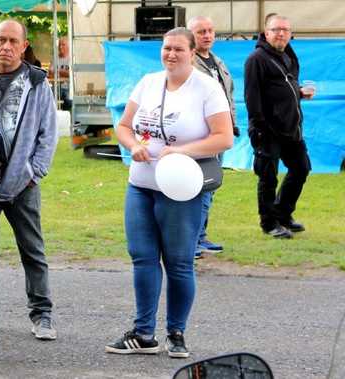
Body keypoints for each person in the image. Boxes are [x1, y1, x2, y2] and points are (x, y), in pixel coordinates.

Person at [106, 27, 232, 358]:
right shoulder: (148, 82)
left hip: (182, 190)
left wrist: (184, 151)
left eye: (178, 49)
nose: (171, 54)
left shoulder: (207, 88)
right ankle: (143, 333)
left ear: (192, 53)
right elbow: (123, 126)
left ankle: (176, 333)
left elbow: (224, 137)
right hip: (141, 185)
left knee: (178, 263)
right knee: (142, 257)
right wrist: (133, 145)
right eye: (166, 48)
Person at [0, 19, 59, 341]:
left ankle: (42, 315)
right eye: (0, 40)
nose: (5, 47)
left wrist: (35, 173)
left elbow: (48, 133)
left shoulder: (37, 82)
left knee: (32, 250)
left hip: (22, 183)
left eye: (12, 41)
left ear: (23, 46)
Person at [244, 15, 312, 239]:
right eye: (276, 30)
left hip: (291, 128)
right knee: (268, 178)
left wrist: (300, 92)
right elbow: (251, 98)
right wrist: (261, 127)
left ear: (291, 33)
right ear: (266, 32)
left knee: (301, 168)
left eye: (285, 29)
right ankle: (269, 223)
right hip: (268, 130)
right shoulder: (256, 59)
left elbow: (284, 87)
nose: (281, 33)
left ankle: (283, 213)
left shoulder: (288, 55)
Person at [188, 16, 239, 258]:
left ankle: (200, 236)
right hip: (202, 136)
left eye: (210, 30)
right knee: (200, 188)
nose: (207, 35)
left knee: (211, 185)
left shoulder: (217, 62)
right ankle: (192, 240)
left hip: (221, 133)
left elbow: (229, 98)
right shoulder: (189, 64)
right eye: (201, 32)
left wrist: (232, 126)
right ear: (191, 36)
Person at [48, 36, 71, 110]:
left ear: (69, 45)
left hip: (68, 87)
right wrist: (65, 73)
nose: (60, 47)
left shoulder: (72, 58)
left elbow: (72, 74)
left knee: (69, 100)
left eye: (63, 45)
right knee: (48, 98)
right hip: (56, 87)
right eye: (59, 45)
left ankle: (67, 117)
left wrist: (58, 72)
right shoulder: (55, 58)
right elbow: (50, 74)